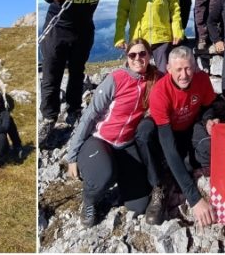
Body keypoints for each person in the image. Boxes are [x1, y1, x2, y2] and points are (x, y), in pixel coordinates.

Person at [65, 39, 162, 226]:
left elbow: (175, 85)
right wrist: (72, 157)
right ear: (127, 57)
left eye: (142, 53)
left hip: (126, 144)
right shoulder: (116, 78)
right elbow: (90, 116)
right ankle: (89, 199)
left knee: (139, 206)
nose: (137, 58)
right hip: (100, 140)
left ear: (149, 55)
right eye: (132, 55)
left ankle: (114, 171)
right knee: (103, 175)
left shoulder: (156, 78)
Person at [40, 0, 126, 137]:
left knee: (78, 72)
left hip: (84, 28)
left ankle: (74, 110)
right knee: (52, 74)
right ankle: (49, 118)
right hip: (58, 29)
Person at [135, 47, 217, 227]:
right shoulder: (160, 92)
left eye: (188, 68)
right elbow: (168, 145)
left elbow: (208, 105)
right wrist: (194, 199)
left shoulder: (201, 79)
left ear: (194, 67)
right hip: (165, 132)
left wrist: (209, 119)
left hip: (188, 128)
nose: (184, 75)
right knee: (144, 133)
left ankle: (176, 169)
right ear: (169, 69)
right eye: (178, 70)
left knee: (210, 147)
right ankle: (159, 185)